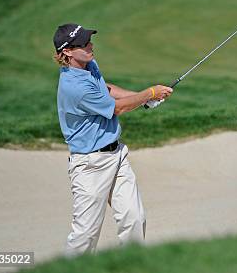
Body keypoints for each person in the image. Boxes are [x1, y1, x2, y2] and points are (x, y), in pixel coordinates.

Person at [52, 23, 172, 256]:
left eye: (89, 40)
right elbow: (116, 108)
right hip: (90, 166)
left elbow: (106, 90)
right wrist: (150, 94)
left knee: (134, 218)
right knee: (85, 236)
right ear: (67, 52)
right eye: (84, 44)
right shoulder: (73, 86)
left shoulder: (88, 65)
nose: (90, 45)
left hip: (117, 155)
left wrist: (140, 98)